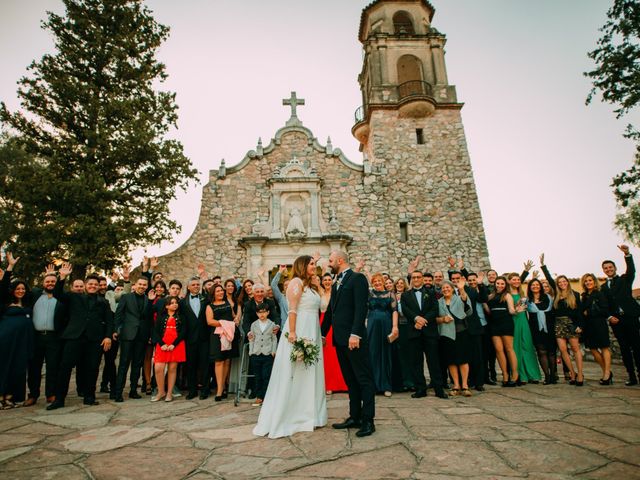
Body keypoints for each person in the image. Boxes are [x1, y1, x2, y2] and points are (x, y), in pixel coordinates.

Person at [254, 255, 327, 438]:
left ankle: (311, 415)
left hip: (313, 331)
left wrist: (319, 282)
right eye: (311, 264)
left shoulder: (310, 287)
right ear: (302, 266)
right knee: (296, 370)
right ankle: (293, 415)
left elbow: (324, 307)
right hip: (300, 330)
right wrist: (293, 333)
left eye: (314, 264)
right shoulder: (295, 282)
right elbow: (293, 309)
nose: (314, 266)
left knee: (310, 371)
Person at [321, 251, 376, 437]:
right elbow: (331, 311)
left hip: (354, 339)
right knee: (351, 380)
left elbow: (361, 308)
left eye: (331, 260)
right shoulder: (337, 282)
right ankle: (355, 416)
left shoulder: (357, 278)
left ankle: (368, 420)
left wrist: (355, 334)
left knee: (364, 379)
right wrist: (321, 334)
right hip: (340, 340)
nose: (329, 264)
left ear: (340, 260)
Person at [48, 263, 113, 409]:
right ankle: (59, 399)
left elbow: (110, 321)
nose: (93, 286)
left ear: (99, 287)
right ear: (85, 285)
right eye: (90, 284)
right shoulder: (74, 297)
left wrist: (108, 336)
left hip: (94, 340)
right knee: (65, 368)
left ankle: (89, 397)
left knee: (92, 368)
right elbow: (57, 294)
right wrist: (62, 277)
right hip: (74, 337)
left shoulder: (103, 303)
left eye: (95, 284)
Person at [401, 270, 448, 399]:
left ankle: (439, 389)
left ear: (422, 279)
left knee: (434, 361)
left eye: (418, 277)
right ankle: (420, 389)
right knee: (416, 362)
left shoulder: (431, 293)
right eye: (414, 277)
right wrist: (416, 318)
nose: (416, 279)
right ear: (411, 279)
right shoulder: (405, 295)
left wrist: (423, 320)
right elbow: (405, 310)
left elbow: (435, 309)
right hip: (413, 331)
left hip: (429, 331)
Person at [23, 264, 65, 407]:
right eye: (47, 281)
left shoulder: (60, 298)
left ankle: (50, 394)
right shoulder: (34, 295)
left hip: (53, 338)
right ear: (43, 283)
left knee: (53, 367)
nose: (50, 283)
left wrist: (61, 278)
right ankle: (33, 395)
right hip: (36, 337)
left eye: (53, 281)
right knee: (34, 367)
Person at [541, 257, 584, 386]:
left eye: (564, 281)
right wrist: (543, 266)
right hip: (558, 324)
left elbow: (579, 312)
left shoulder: (575, 294)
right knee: (563, 350)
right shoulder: (556, 295)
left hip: (571, 324)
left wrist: (579, 325)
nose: (562, 283)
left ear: (567, 282)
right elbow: (549, 279)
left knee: (575, 349)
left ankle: (580, 374)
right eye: (559, 282)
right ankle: (572, 373)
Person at [601, 245, 640, 386]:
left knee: (637, 346)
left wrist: (627, 254)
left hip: (631, 317)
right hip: (617, 321)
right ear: (603, 270)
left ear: (615, 268)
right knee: (624, 349)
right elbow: (604, 306)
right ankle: (631, 376)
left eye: (610, 267)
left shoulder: (625, 279)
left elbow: (632, 270)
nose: (608, 269)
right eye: (605, 268)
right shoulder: (604, 288)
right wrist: (610, 317)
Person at [0, 253, 35, 408]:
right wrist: (10, 267)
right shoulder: (5, 303)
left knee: (18, 369)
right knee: (4, 367)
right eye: (17, 288)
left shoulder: (28, 304)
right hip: (6, 341)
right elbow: (2, 288)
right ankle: (1, 396)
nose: (20, 291)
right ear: (12, 290)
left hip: (23, 341)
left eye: (23, 288)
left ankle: (10, 396)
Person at [113, 276, 153, 402]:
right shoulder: (126, 297)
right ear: (135, 285)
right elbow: (118, 314)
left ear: (147, 286)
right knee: (124, 364)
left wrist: (151, 302)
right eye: (140, 284)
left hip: (142, 336)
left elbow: (149, 318)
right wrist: (116, 330)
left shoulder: (148, 299)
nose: (142, 286)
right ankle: (118, 392)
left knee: (137, 364)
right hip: (127, 335)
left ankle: (133, 390)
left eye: (144, 285)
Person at [437, 279, 473, 396]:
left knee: (463, 360)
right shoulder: (439, 302)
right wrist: (443, 319)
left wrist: (461, 289)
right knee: (451, 360)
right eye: (443, 288)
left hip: (461, 332)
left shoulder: (459, 298)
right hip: (446, 334)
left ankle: (465, 385)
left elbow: (466, 302)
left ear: (452, 289)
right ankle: (456, 385)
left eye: (448, 287)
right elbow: (435, 318)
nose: (445, 289)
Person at [367, 272, 399, 397]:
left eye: (379, 281)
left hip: (386, 324)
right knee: (372, 353)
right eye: (375, 282)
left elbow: (394, 311)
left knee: (386, 353)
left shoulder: (391, 294)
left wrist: (395, 327)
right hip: (372, 326)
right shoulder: (369, 294)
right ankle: (373, 385)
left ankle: (386, 385)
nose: (377, 283)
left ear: (383, 282)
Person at [487, 277, 522, 387]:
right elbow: (488, 310)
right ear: (495, 284)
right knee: (498, 350)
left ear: (505, 285)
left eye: (502, 284)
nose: (500, 285)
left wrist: (517, 311)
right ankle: (505, 375)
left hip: (506, 323)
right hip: (494, 324)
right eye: (498, 283)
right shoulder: (490, 296)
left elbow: (511, 310)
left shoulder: (507, 295)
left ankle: (515, 375)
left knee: (509, 348)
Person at [508, 272, 542, 384]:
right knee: (516, 348)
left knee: (527, 347)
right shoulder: (507, 294)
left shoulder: (523, 294)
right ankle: (520, 376)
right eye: (514, 279)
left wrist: (533, 278)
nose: (517, 281)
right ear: (509, 281)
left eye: (518, 279)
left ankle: (532, 375)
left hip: (524, 321)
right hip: (513, 322)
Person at [151, 296, 186, 402]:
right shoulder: (161, 317)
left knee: (172, 369)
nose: (175, 304)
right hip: (162, 345)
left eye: (176, 302)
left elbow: (183, 332)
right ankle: (161, 391)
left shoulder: (181, 316)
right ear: (166, 306)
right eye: (172, 303)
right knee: (158, 368)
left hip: (176, 345)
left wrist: (174, 344)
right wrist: (161, 344)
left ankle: (169, 393)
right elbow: (155, 331)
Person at [181, 277, 211, 400]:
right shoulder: (183, 302)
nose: (196, 286)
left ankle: (205, 390)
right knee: (190, 365)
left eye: (198, 285)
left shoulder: (206, 299)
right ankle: (192, 391)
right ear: (188, 287)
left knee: (205, 365)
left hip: (204, 337)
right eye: (193, 285)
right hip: (189, 338)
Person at [581, 274, 613, 385]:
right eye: (586, 281)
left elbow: (605, 310)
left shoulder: (600, 294)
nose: (588, 282)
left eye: (590, 280)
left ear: (594, 281)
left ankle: (606, 374)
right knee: (593, 350)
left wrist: (589, 312)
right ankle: (606, 371)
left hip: (599, 324)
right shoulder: (584, 296)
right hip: (589, 326)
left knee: (604, 348)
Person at [206, 284, 237, 401]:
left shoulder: (228, 304)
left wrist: (235, 320)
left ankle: (224, 386)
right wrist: (225, 324)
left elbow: (233, 316)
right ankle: (219, 390)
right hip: (217, 336)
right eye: (218, 291)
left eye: (221, 291)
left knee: (226, 361)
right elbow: (209, 321)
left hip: (229, 335)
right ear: (213, 293)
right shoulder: (210, 306)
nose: (220, 293)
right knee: (219, 362)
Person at [318, 272, 348, 394]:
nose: (327, 282)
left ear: (332, 281)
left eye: (329, 279)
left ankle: (342, 384)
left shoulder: (337, 292)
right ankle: (328, 384)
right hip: (323, 323)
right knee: (326, 355)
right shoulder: (320, 293)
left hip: (335, 323)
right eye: (324, 280)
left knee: (336, 354)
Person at [526, 279, 557, 384]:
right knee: (541, 352)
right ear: (529, 287)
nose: (535, 286)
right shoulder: (527, 300)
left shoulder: (548, 297)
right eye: (533, 285)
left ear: (540, 286)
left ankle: (553, 376)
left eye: (537, 284)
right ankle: (547, 376)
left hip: (550, 328)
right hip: (535, 329)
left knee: (552, 352)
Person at [248, 302, 277, 406]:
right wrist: (251, 352)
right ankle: (259, 397)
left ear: (268, 312)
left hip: (267, 353)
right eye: (260, 313)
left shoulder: (272, 324)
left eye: (264, 312)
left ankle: (266, 396)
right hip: (256, 353)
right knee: (258, 376)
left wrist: (273, 351)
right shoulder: (254, 324)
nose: (262, 314)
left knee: (266, 375)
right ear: (257, 314)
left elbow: (274, 339)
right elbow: (251, 339)